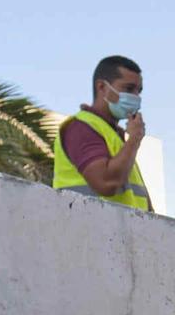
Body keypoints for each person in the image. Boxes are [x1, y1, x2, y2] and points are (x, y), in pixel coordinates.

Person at [54, 55, 153, 211]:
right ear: (101, 87)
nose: (136, 97)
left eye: (138, 91)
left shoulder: (116, 136)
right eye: (128, 89)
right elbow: (106, 183)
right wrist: (134, 139)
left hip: (125, 232)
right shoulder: (81, 127)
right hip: (88, 229)